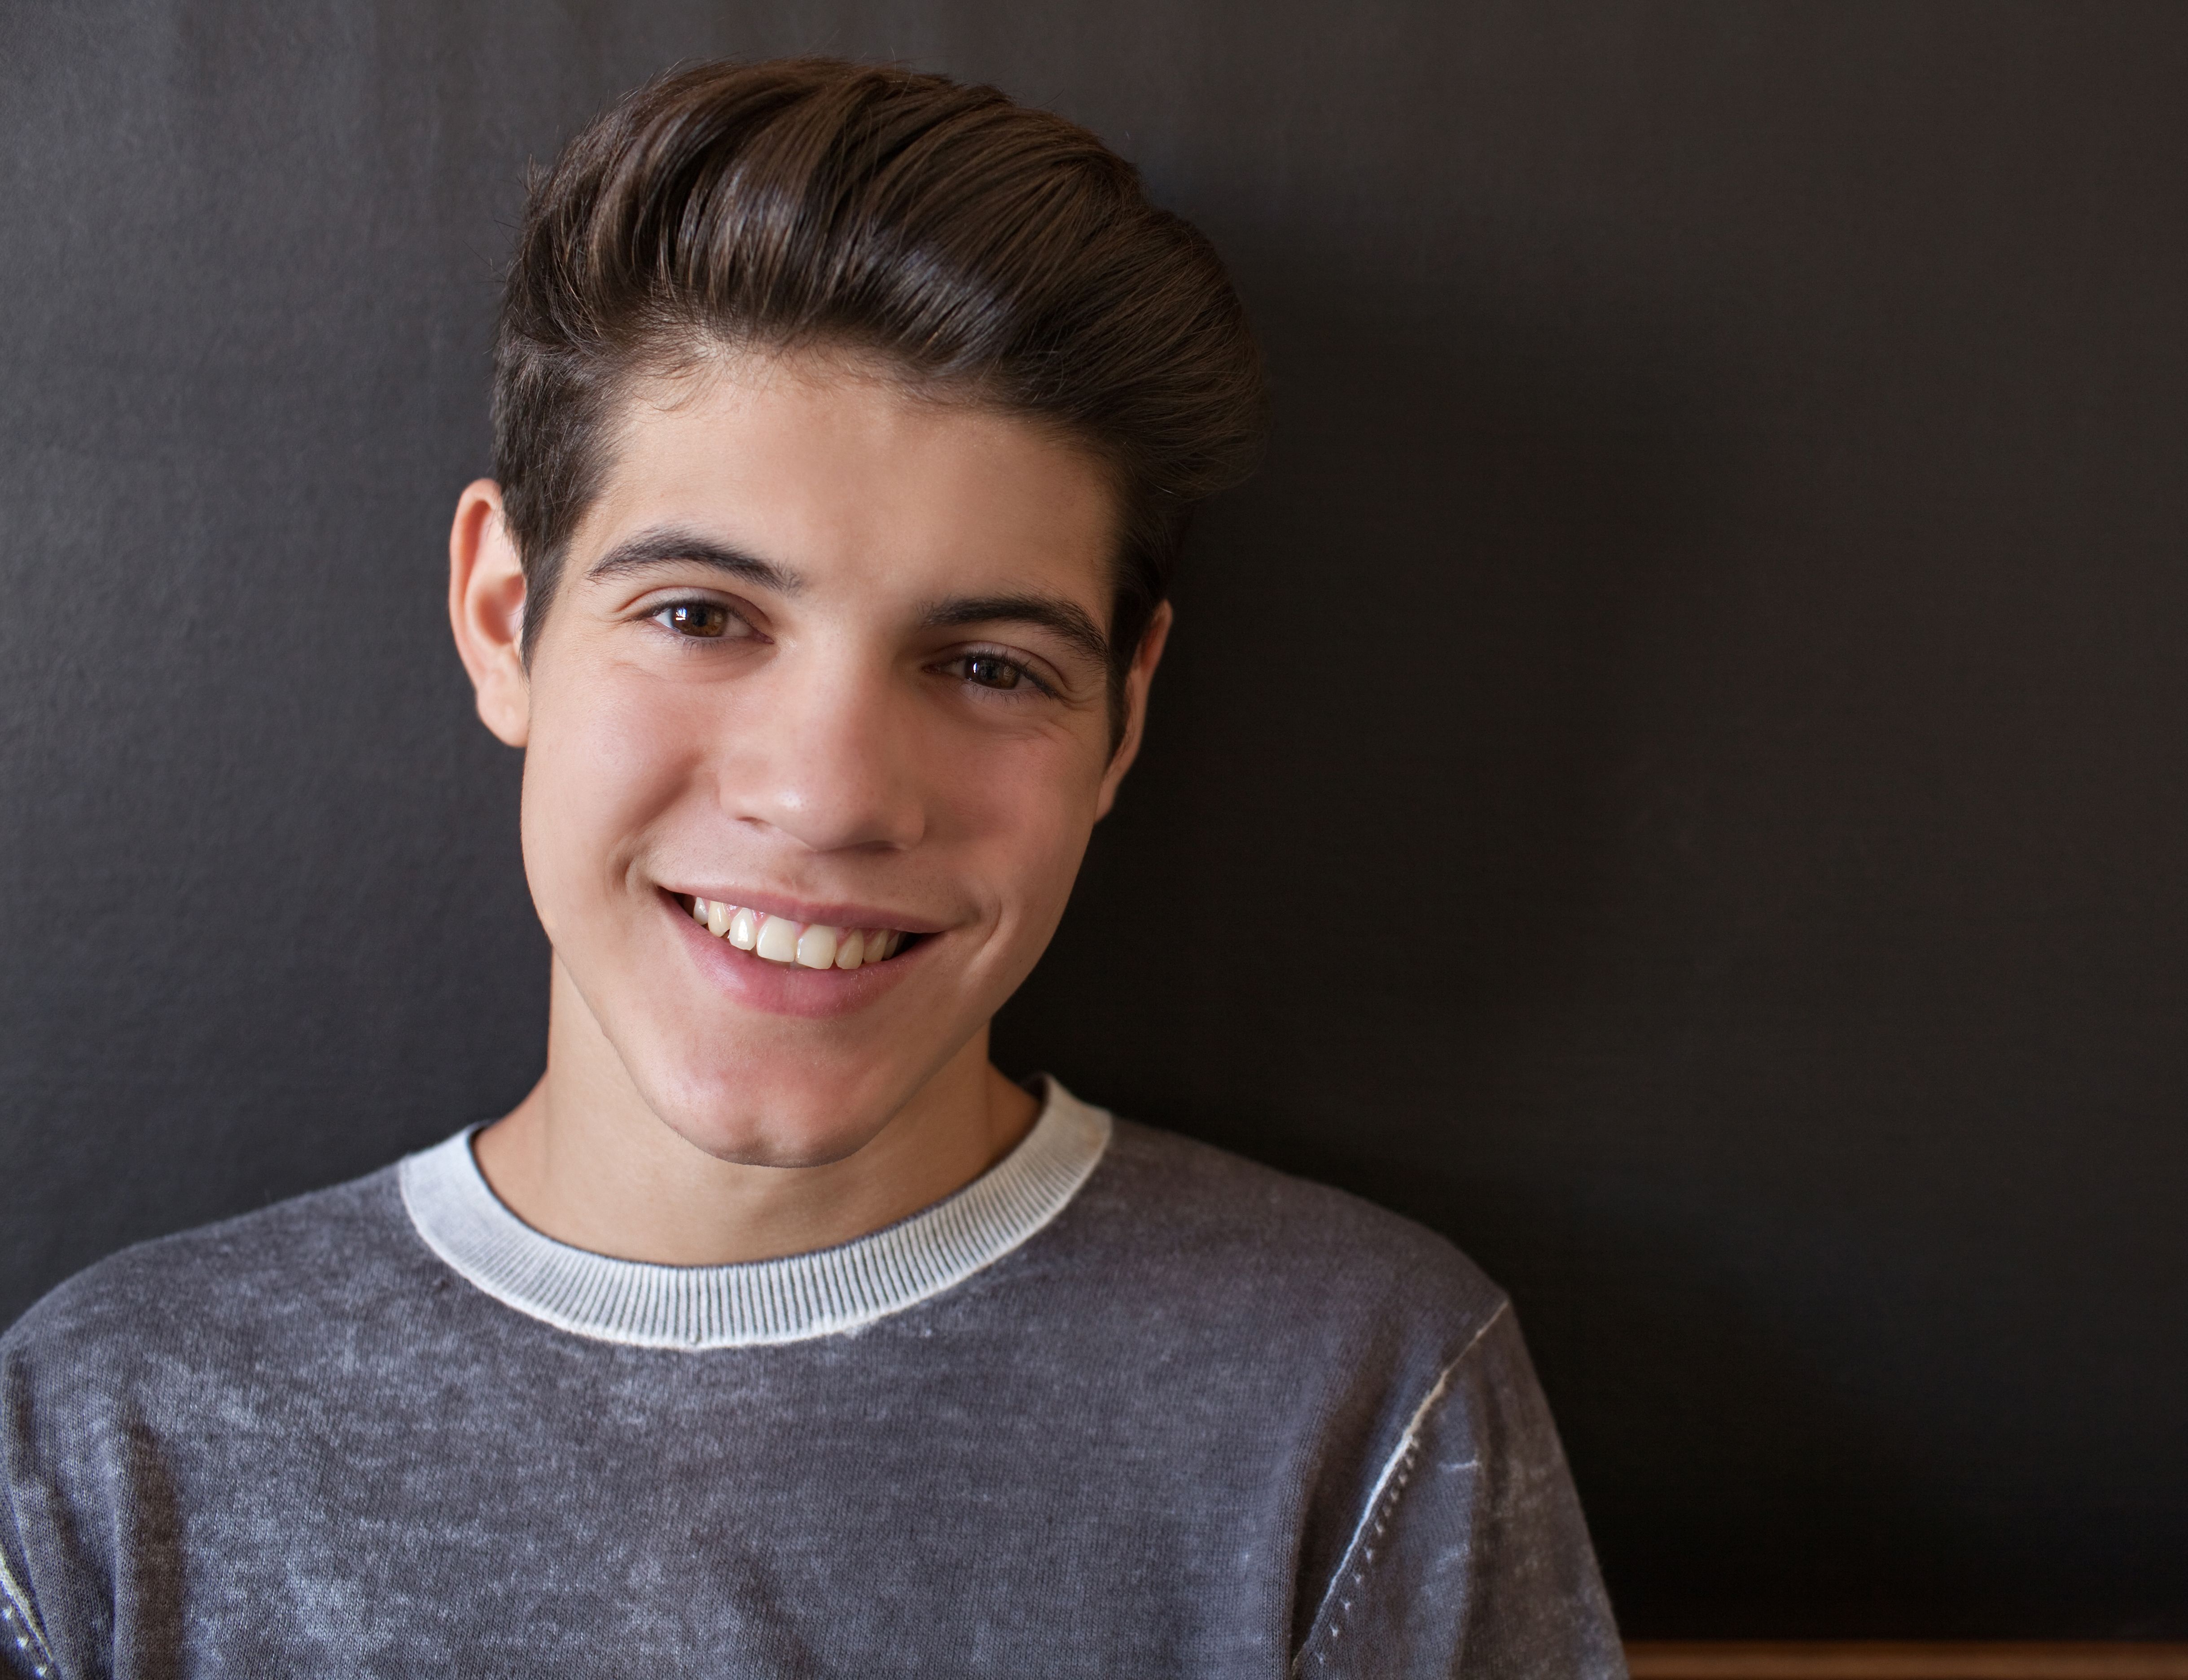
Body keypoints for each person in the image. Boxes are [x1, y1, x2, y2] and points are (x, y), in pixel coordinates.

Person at [0, 57, 1623, 1678]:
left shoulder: (1363, 1407)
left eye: (991, 666)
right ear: (506, 615)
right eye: (702, 617)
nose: (831, 795)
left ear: (1123, 724)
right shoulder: (104, 1444)